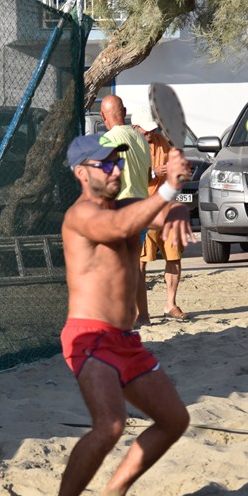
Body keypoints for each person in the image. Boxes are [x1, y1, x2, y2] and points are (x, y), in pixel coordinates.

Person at [48, 134, 194, 496]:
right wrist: (169, 190)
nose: (115, 170)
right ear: (81, 173)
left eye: (118, 162)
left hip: (125, 340)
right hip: (89, 338)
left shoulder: (128, 205)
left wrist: (178, 208)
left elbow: (157, 213)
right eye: (106, 164)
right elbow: (117, 228)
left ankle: (113, 495)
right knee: (110, 426)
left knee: (174, 420)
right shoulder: (81, 215)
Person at [98, 94, 153, 326]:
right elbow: (148, 176)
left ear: (103, 116)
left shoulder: (107, 140)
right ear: (125, 111)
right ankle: (144, 315)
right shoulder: (140, 139)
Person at [139, 122, 189, 321]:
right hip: (144, 209)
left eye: (152, 129)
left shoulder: (162, 142)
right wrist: (153, 173)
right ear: (136, 127)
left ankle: (170, 304)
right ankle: (140, 309)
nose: (150, 133)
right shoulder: (132, 144)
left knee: (174, 256)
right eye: (146, 130)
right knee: (141, 261)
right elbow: (127, 177)